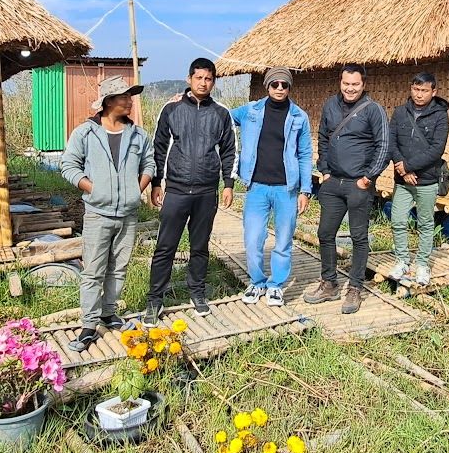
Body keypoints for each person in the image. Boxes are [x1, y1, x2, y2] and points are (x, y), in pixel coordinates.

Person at [59, 76, 152, 352]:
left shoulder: (138, 135)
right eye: (124, 96)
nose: (130, 101)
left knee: (119, 267)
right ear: (108, 101)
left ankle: (109, 313)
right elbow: (69, 166)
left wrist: (137, 189)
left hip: (128, 214)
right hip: (98, 213)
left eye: (131, 95)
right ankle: (89, 325)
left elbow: (150, 163)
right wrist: (94, 189)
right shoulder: (85, 133)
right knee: (93, 270)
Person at [145, 57, 236, 322]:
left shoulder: (221, 113)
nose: (203, 83)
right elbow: (159, 148)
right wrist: (155, 183)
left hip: (207, 191)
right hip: (176, 190)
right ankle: (155, 299)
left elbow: (230, 150)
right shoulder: (171, 109)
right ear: (189, 79)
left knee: (200, 246)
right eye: (198, 78)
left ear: (214, 82)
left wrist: (228, 184)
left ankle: (197, 292)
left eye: (208, 79)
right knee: (165, 246)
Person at [303, 64, 389, 315]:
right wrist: (325, 170)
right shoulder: (330, 105)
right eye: (346, 84)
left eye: (355, 84)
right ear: (340, 83)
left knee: (358, 237)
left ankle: (355, 287)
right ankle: (329, 282)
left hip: (358, 185)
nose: (350, 89)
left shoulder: (374, 110)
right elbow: (322, 136)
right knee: (325, 233)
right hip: (332, 183)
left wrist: (368, 177)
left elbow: (384, 146)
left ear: (363, 84)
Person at [232, 67, 313, 307]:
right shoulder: (251, 110)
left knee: (284, 240)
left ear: (289, 88)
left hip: (286, 188)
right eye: (275, 84)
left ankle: (276, 285)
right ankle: (257, 282)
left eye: (284, 85)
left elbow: (305, 153)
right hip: (256, 186)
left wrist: (305, 190)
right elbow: (220, 116)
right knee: (253, 237)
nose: (279, 88)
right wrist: (187, 100)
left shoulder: (299, 116)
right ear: (267, 86)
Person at [388, 72, 449, 286]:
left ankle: (422, 264)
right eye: (416, 89)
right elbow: (391, 142)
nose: (419, 94)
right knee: (398, 220)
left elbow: (436, 150)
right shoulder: (399, 113)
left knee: (425, 223)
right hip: (402, 180)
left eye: (424, 90)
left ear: (434, 92)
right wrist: (403, 170)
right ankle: (402, 260)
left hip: (428, 179)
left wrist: (409, 166)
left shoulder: (440, 116)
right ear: (410, 89)